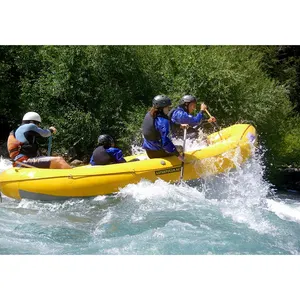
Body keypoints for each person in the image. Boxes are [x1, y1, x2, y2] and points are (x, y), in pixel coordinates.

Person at [142, 95, 184, 161]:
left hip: (149, 152)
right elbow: (165, 143)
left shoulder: (150, 114)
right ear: (161, 108)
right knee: (181, 148)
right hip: (158, 153)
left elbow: (162, 124)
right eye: (167, 107)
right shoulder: (162, 121)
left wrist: (179, 125)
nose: (169, 109)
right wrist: (178, 155)